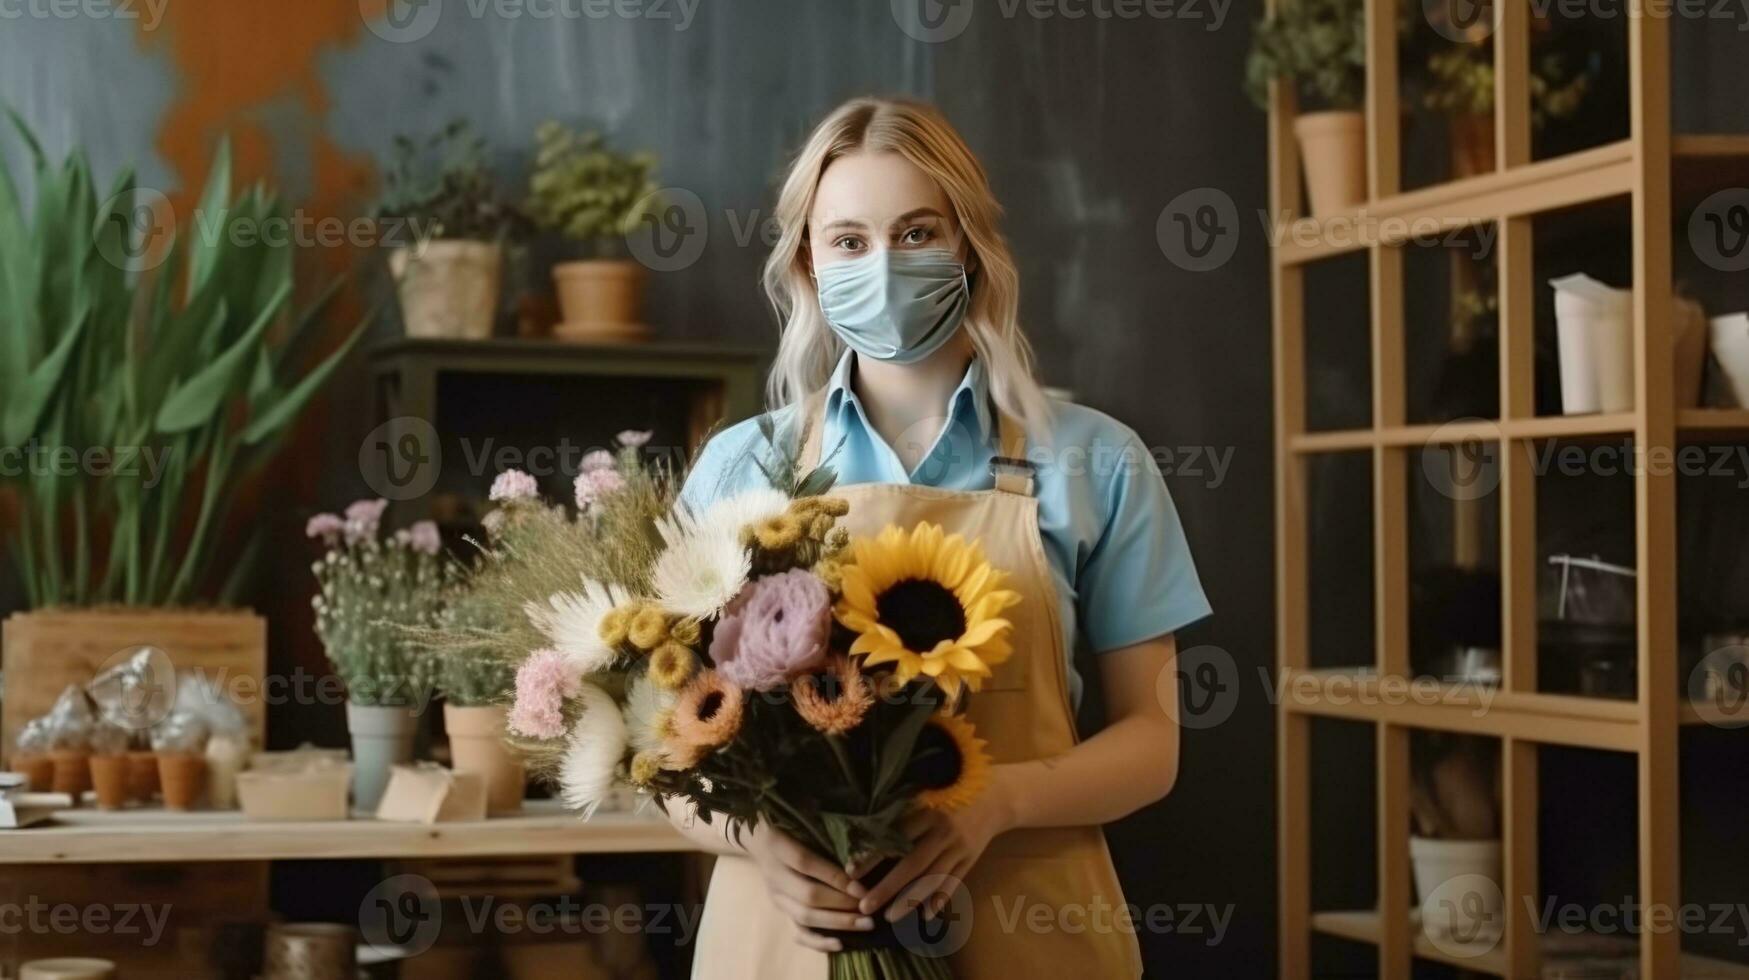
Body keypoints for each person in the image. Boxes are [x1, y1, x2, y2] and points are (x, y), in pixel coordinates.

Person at [667, 95, 1210, 979]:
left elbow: (1154, 739)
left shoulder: (1097, 462)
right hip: (789, 936)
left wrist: (997, 802)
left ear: (968, 244)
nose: (881, 267)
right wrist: (758, 840)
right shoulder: (741, 467)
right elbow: (666, 741)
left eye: (916, 232)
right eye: (848, 241)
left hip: (1026, 923)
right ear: (807, 262)